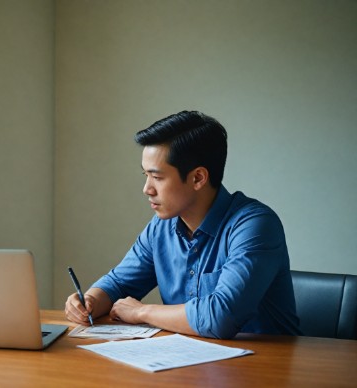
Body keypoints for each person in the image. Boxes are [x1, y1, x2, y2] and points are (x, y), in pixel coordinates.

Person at [64, 111, 301, 339]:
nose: (147, 189)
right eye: (145, 175)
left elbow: (220, 317)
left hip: (266, 368)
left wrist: (141, 312)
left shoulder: (255, 225)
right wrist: (91, 301)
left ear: (198, 178)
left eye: (157, 177)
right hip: (190, 364)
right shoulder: (160, 227)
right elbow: (118, 284)